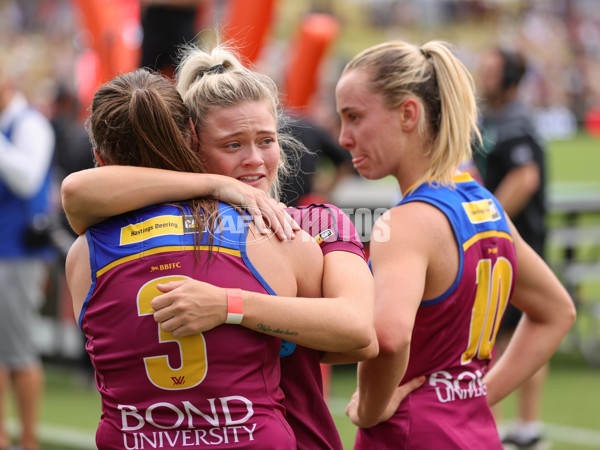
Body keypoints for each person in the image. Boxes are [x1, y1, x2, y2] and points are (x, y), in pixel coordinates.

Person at [61, 44, 384, 449]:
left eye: (266, 140)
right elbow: (74, 192)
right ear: (190, 145)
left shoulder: (312, 222)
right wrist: (217, 186)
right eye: (233, 145)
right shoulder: (236, 236)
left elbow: (361, 335)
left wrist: (229, 307)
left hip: (301, 435)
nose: (254, 159)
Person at [336, 40, 576, 449]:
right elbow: (558, 311)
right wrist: (478, 395)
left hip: (411, 436)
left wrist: (371, 410)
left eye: (355, 117)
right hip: (475, 434)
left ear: (409, 114)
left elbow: (390, 337)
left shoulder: (404, 223)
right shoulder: (486, 205)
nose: (343, 137)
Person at [474, 47, 550, 448]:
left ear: (511, 78)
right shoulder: (493, 118)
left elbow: (526, 178)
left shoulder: (517, 121)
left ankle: (524, 426)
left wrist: (485, 219)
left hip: (515, 245)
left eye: (491, 71)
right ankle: (508, 428)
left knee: (515, 331)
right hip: (500, 243)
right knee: (497, 334)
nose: (484, 77)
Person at [0, 66, 56, 450]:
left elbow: (27, 179)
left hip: (17, 253)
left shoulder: (31, 124)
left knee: (17, 348)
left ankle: (30, 439)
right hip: (6, 252)